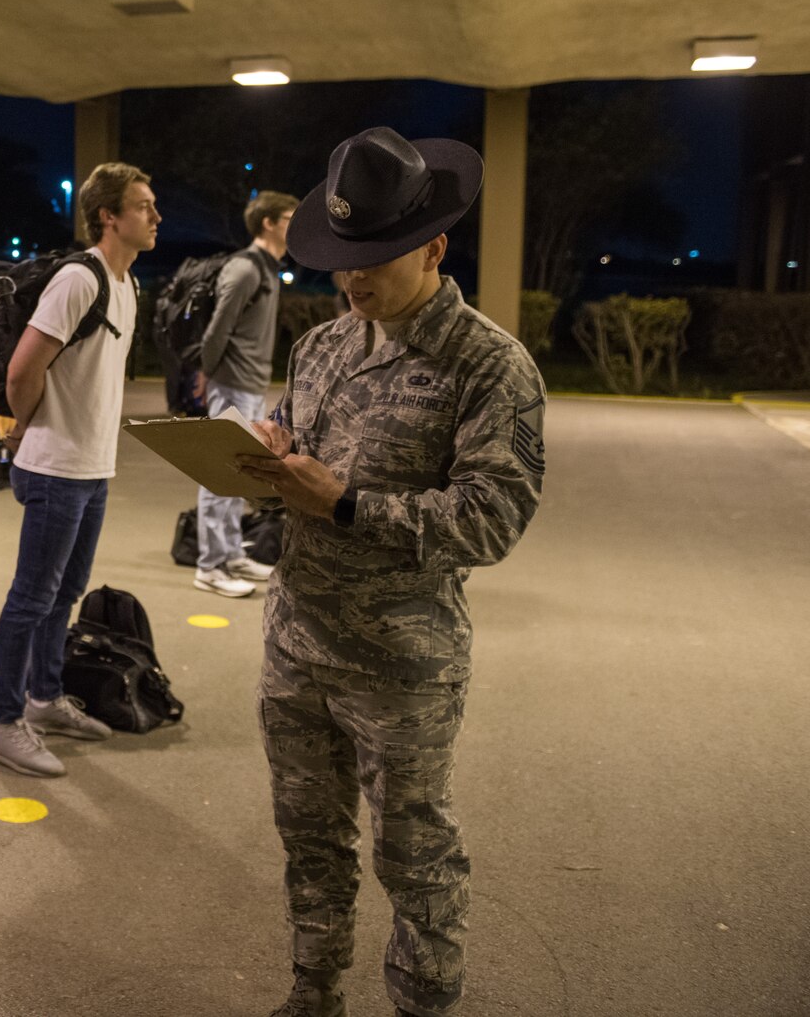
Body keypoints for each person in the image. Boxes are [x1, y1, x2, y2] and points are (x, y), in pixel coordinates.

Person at [235, 126, 546, 1017]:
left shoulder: (489, 364)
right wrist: (268, 464)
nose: (353, 277)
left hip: (403, 666)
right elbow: (299, 467)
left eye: (374, 258)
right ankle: (314, 992)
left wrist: (345, 502)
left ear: (436, 247)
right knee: (310, 842)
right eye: (341, 259)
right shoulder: (326, 347)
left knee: (415, 859)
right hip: (297, 646)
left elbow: (494, 517)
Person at [0, 162, 158, 779]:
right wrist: (26, 427)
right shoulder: (78, 280)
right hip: (55, 467)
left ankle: (46, 698)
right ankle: (4, 725)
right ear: (109, 216)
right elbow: (22, 370)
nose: (156, 217)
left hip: (92, 468)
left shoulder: (128, 286)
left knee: (64, 593)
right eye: (142, 206)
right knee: (30, 598)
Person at [189, 190, 299, 597]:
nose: (296, 225)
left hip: (250, 383)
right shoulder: (245, 268)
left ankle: (231, 553)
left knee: (240, 471)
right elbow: (217, 330)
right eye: (290, 217)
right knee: (218, 473)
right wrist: (207, 372)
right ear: (268, 222)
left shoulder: (269, 269)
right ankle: (209, 565)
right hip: (232, 381)